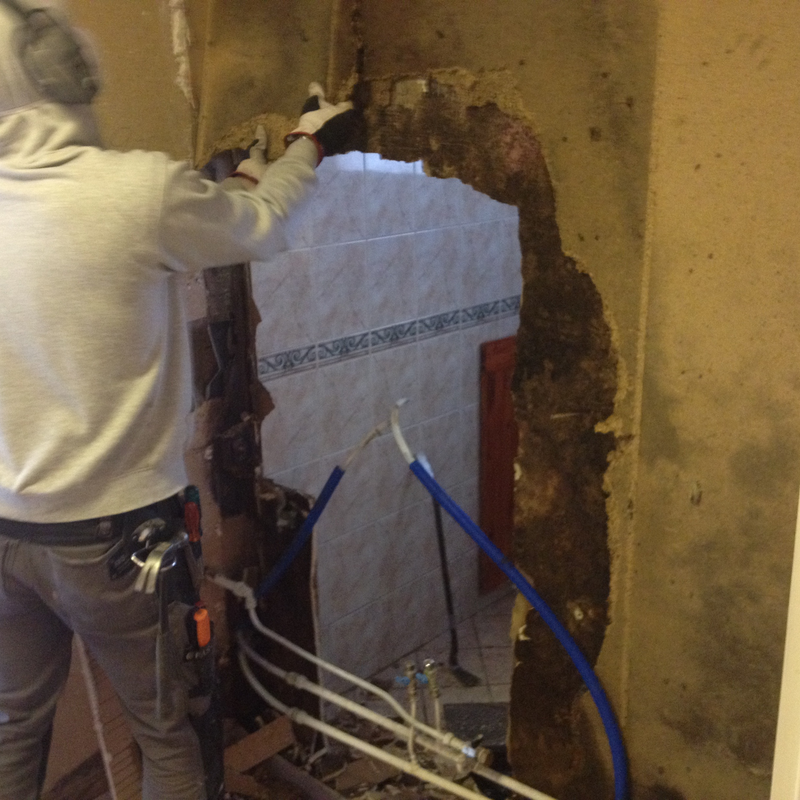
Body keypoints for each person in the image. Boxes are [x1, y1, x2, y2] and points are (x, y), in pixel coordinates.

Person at [0, 2, 358, 799]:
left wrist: (237, 179)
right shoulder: (133, 192)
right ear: (68, 80)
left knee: (13, 725)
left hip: (8, 531)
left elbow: (197, 223)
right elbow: (258, 226)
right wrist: (308, 143)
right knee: (171, 733)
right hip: (116, 539)